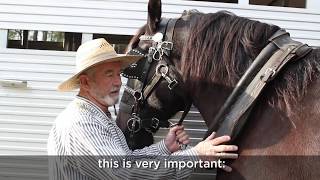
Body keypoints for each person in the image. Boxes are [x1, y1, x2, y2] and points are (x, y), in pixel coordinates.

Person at [47, 38, 238, 180]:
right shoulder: (81, 123)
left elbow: (127, 160)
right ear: (85, 82)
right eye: (108, 74)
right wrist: (195, 156)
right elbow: (124, 172)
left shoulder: (98, 116)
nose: (117, 82)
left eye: (117, 74)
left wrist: (165, 147)